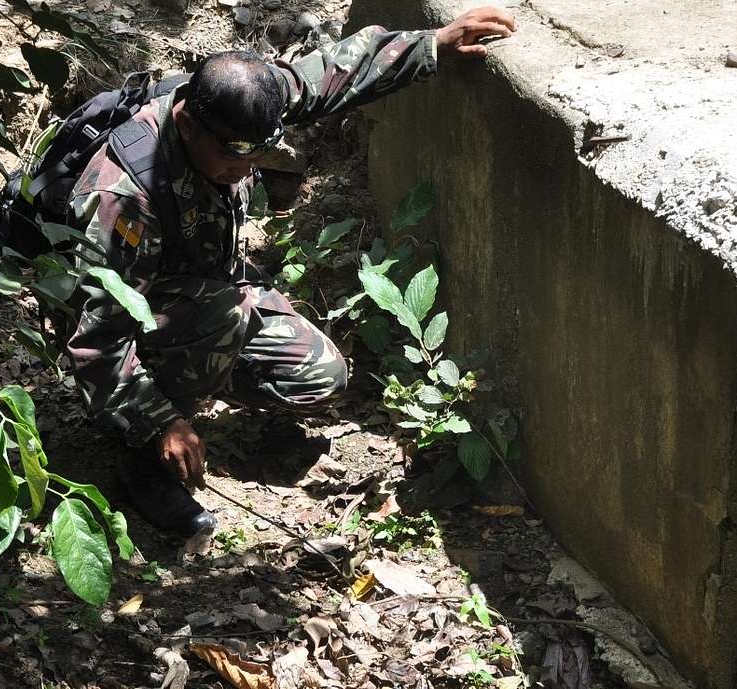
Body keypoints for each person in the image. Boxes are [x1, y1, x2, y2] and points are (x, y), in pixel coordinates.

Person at [63, 6, 516, 537]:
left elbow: (326, 75)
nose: (245, 173)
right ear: (187, 125)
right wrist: (161, 422)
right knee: (221, 319)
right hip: (116, 314)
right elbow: (94, 338)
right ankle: (142, 460)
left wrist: (431, 43)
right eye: (233, 163)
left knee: (320, 375)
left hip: (204, 290)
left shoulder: (239, 100)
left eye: (255, 159)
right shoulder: (125, 195)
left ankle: (198, 373)